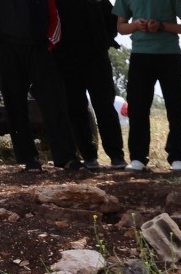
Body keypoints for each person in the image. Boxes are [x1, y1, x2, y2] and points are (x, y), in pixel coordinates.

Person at [0, 0, 83, 172]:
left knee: (53, 101)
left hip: (39, 47)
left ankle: (66, 157)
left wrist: (49, 44)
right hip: (6, 49)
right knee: (15, 104)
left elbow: (53, 12)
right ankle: (29, 159)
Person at [112, 0, 181, 172]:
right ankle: (137, 158)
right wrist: (135, 25)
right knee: (137, 108)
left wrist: (162, 25)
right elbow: (120, 28)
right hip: (140, 56)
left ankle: (177, 157)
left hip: (170, 55)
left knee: (176, 108)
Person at [57, 0, 125, 169]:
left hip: (97, 58)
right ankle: (89, 156)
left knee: (105, 107)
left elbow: (112, 19)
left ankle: (116, 155)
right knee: (76, 108)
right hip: (66, 59)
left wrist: (103, 41)